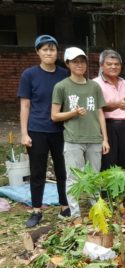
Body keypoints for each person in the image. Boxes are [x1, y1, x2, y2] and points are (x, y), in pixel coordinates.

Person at [18, 35, 69, 228]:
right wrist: (24, 133)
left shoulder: (64, 74)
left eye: (52, 49)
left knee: (62, 170)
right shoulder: (29, 75)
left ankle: (65, 206)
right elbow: (25, 106)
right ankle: (37, 210)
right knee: (37, 171)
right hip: (37, 129)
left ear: (57, 52)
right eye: (45, 49)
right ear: (37, 52)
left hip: (60, 130)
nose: (49, 53)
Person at [51, 47, 109, 218]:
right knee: (73, 178)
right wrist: (73, 113)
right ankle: (75, 215)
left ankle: (97, 211)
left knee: (94, 177)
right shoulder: (61, 87)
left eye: (82, 61)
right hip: (73, 139)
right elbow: (54, 116)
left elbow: (100, 113)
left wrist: (105, 138)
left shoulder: (94, 86)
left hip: (94, 139)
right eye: (75, 62)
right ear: (68, 63)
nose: (80, 65)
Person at [93, 49, 125, 171]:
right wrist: (115, 104)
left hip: (124, 128)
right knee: (108, 166)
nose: (113, 67)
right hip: (107, 127)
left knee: (123, 165)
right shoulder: (95, 83)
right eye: (109, 64)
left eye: (117, 64)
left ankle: (121, 191)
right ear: (101, 65)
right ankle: (106, 191)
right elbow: (96, 108)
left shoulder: (124, 82)